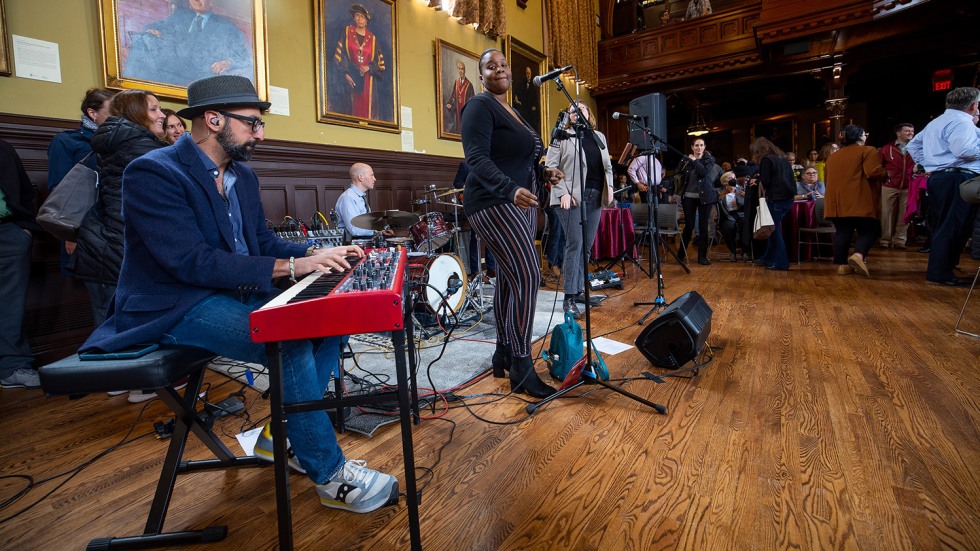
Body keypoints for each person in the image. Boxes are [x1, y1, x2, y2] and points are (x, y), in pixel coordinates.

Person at [81, 74, 398, 513]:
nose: (260, 133)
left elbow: (261, 244)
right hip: (175, 303)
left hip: (230, 291)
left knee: (330, 323)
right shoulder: (153, 172)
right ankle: (330, 475)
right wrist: (291, 267)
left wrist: (315, 251)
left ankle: (282, 437)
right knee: (285, 342)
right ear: (213, 120)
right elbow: (190, 262)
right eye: (252, 123)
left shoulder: (242, 177)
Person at [461, 48, 556, 398]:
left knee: (509, 278)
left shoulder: (513, 112)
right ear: (480, 73)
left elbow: (524, 157)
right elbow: (476, 159)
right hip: (493, 201)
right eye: (491, 66)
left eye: (503, 65)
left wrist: (544, 171)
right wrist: (509, 188)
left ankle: (502, 352)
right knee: (529, 275)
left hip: (521, 200)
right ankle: (520, 362)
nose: (499, 69)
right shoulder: (478, 106)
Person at [71, 90, 168, 331]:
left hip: (104, 246)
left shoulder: (120, 140)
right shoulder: (142, 146)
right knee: (116, 340)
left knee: (111, 335)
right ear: (134, 113)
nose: (162, 115)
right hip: (118, 252)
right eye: (153, 109)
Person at [546, 101, 615, 318]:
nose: (576, 112)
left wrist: (610, 188)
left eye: (581, 109)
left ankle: (579, 292)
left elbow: (608, 166)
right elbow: (550, 167)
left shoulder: (599, 136)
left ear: (588, 113)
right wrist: (562, 192)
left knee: (586, 247)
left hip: (595, 196)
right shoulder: (560, 136)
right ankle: (568, 298)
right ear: (569, 116)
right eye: (572, 110)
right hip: (570, 199)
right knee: (574, 245)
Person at [907, 87, 980, 287]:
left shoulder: (936, 121)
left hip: (941, 178)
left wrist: (929, 165)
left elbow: (912, 145)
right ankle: (940, 273)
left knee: (945, 226)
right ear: (973, 105)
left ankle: (944, 269)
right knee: (952, 227)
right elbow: (963, 150)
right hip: (957, 178)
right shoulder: (962, 122)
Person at [46, 88, 115, 271]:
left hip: (115, 228)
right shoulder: (66, 142)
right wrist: (70, 235)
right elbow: (60, 190)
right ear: (92, 113)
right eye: (112, 111)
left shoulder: (120, 141)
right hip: (85, 229)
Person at [125, 0, 254, 87]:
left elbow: (244, 56)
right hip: (175, 64)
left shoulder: (226, 27)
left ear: (212, 2)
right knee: (143, 39)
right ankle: (133, 86)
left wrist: (228, 62)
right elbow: (159, 25)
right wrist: (154, 30)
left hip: (202, 69)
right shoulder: (181, 17)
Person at [0, 139, 42, 389]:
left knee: (10, 304)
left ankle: (13, 365)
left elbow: (26, 191)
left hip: (8, 233)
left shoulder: (3, 148)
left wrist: (24, 231)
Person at [824, 125, 888, 277]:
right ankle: (858, 255)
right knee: (870, 230)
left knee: (842, 232)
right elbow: (873, 172)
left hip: (836, 203)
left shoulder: (833, 157)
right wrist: (886, 173)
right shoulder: (868, 151)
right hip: (859, 200)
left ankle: (842, 266)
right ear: (860, 137)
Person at [749, 136, 797, 271]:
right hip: (788, 198)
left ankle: (782, 263)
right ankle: (768, 258)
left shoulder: (766, 159)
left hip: (776, 198)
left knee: (773, 231)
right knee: (773, 229)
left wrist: (756, 181)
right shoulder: (783, 159)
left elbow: (767, 181)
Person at [333, 4, 388, 120]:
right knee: (350, 112)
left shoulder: (373, 39)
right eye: (357, 15)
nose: (359, 18)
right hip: (350, 77)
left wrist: (369, 68)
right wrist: (346, 74)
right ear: (354, 17)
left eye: (362, 16)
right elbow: (339, 54)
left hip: (368, 82)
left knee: (367, 113)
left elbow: (381, 65)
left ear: (366, 20)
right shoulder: (347, 32)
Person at [675, 137, 722, 265]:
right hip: (688, 196)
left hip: (706, 197)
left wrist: (695, 161)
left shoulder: (710, 159)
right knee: (689, 225)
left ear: (704, 147)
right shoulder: (686, 159)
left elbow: (703, 173)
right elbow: (677, 173)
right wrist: (686, 161)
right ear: (692, 147)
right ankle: (681, 254)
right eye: (696, 145)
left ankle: (702, 256)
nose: (699, 147)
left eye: (701, 145)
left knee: (702, 226)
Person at [878, 122, 915, 249]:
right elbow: (878, 167)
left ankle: (900, 240)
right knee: (887, 214)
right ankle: (885, 240)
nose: (910, 133)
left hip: (907, 186)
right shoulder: (886, 149)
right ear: (898, 133)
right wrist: (885, 175)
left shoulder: (916, 148)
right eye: (907, 131)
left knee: (904, 215)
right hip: (889, 186)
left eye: (912, 131)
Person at [335, 162, 383, 243]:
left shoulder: (360, 197)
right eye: (371, 175)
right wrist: (377, 230)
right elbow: (355, 229)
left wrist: (381, 231)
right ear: (361, 177)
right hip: (352, 245)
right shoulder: (348, 197)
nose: (374, 179)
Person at [445, 60, 475, 134]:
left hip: (465, 111)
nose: (461, 71)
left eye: (462, 69)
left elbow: (472, 100)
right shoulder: (456, 82)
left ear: (465, 70)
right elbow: (453, 96)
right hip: (457, 109)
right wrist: (450, 103)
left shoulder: (469, 85)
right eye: (459, 69)